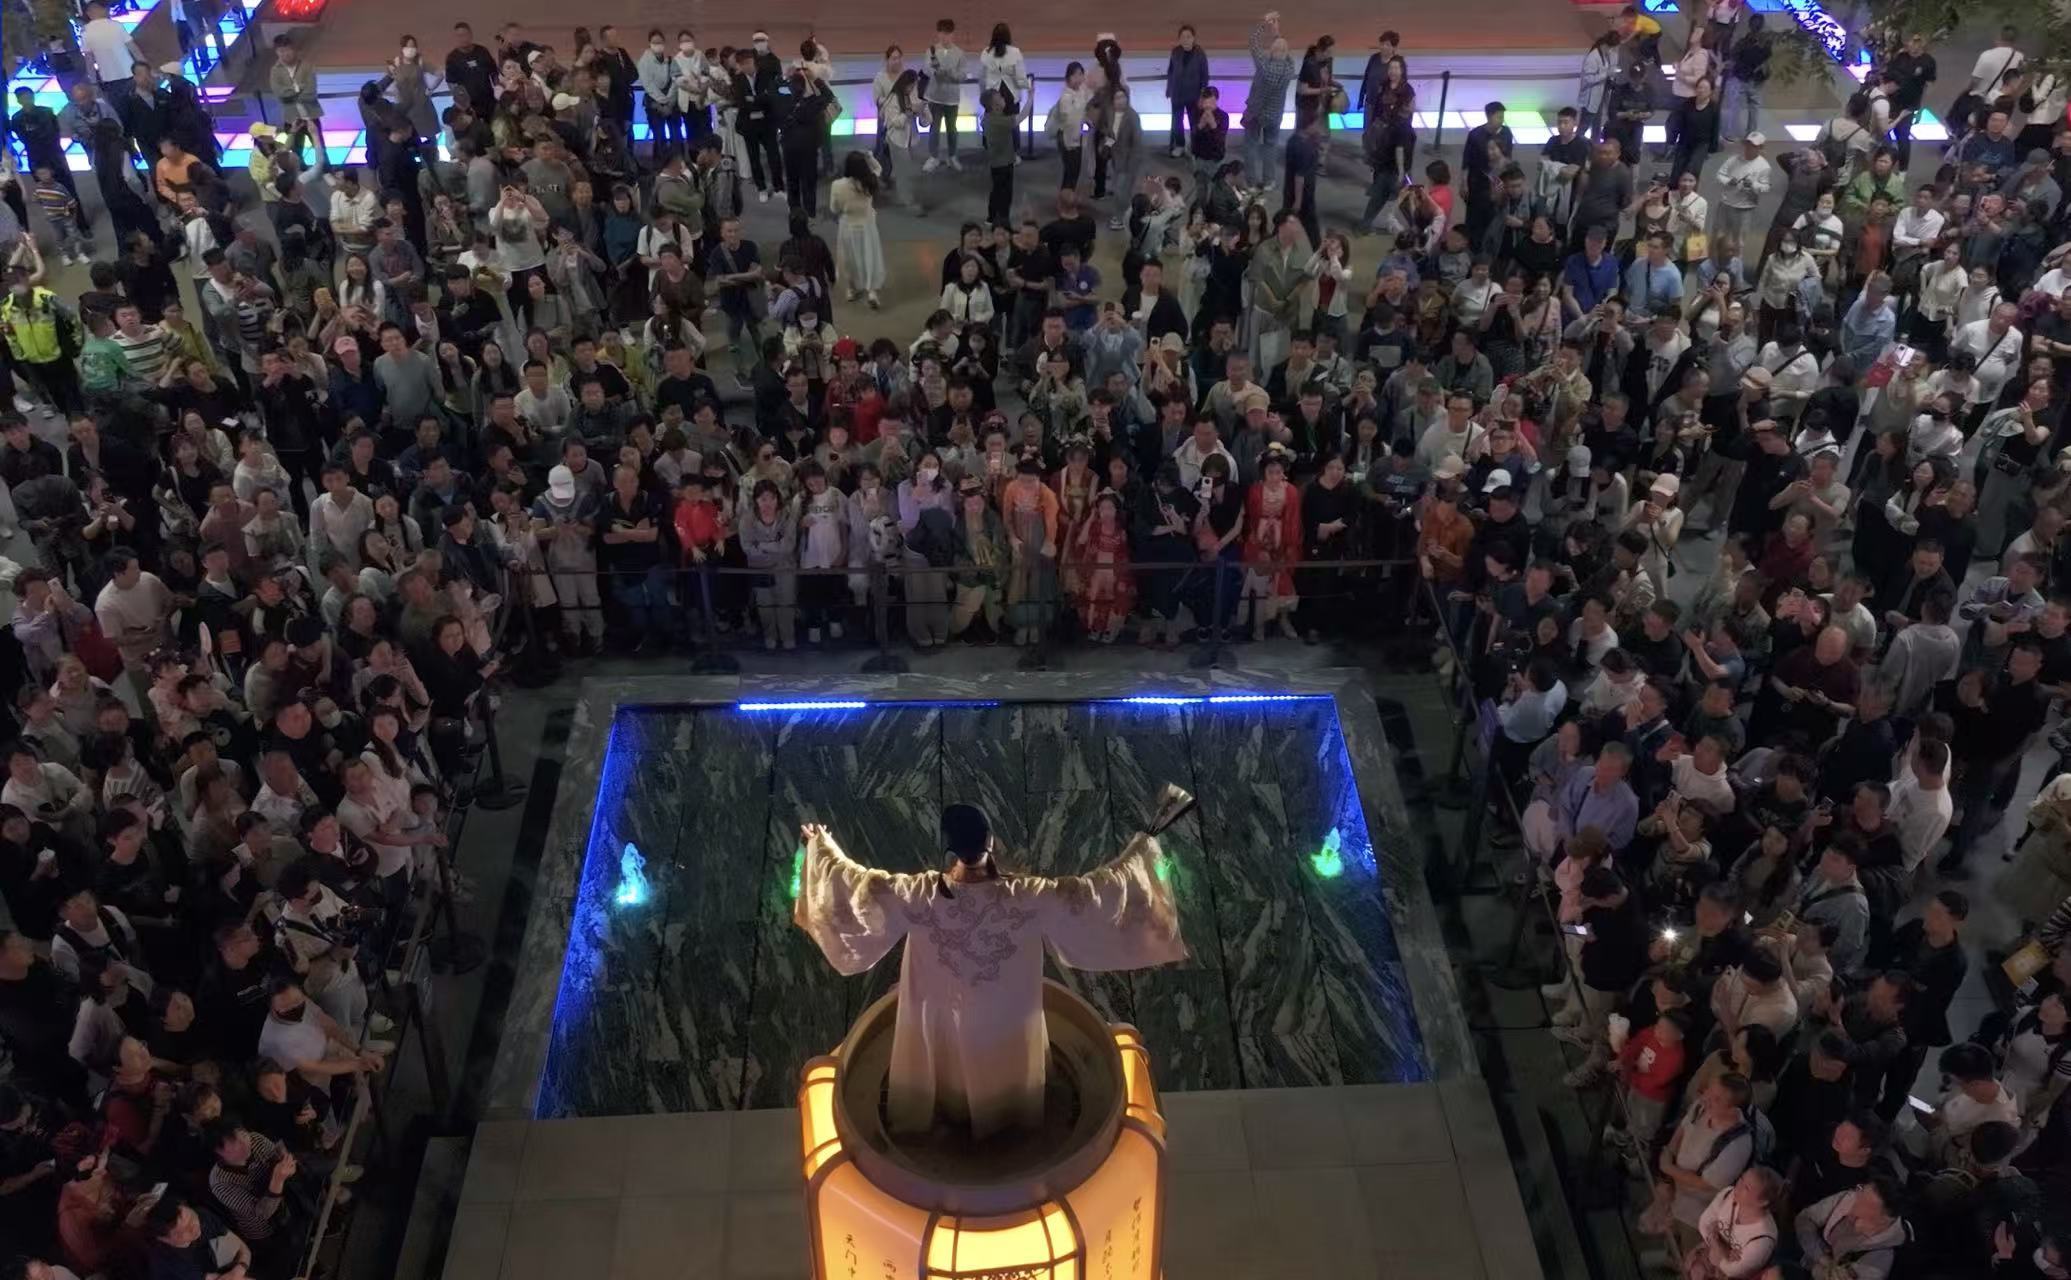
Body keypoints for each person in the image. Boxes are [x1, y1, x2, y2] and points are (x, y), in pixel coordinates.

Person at [794, 789, 1192, 1135]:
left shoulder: (920, 895)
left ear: (949, 848)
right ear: (992, 841)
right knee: (1006, 1075)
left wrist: (821, 848)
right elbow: (1096, 893)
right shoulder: (1028, 896)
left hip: (940, 1012)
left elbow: (856, 886)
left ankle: (942, 1123)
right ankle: (1011, 1128)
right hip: (1006, 1017)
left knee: (943, 1067)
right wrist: (1142, 850)